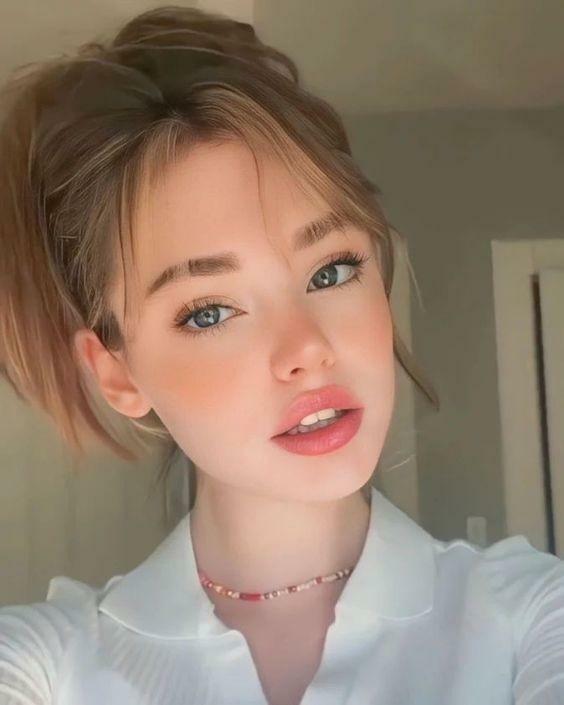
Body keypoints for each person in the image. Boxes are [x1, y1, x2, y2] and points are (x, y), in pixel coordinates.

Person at [0, 5, 563, 705]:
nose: (307, 348)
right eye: (209, 311)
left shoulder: (531, 616)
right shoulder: (46, 665)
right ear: (116, 371)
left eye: (331, 271)